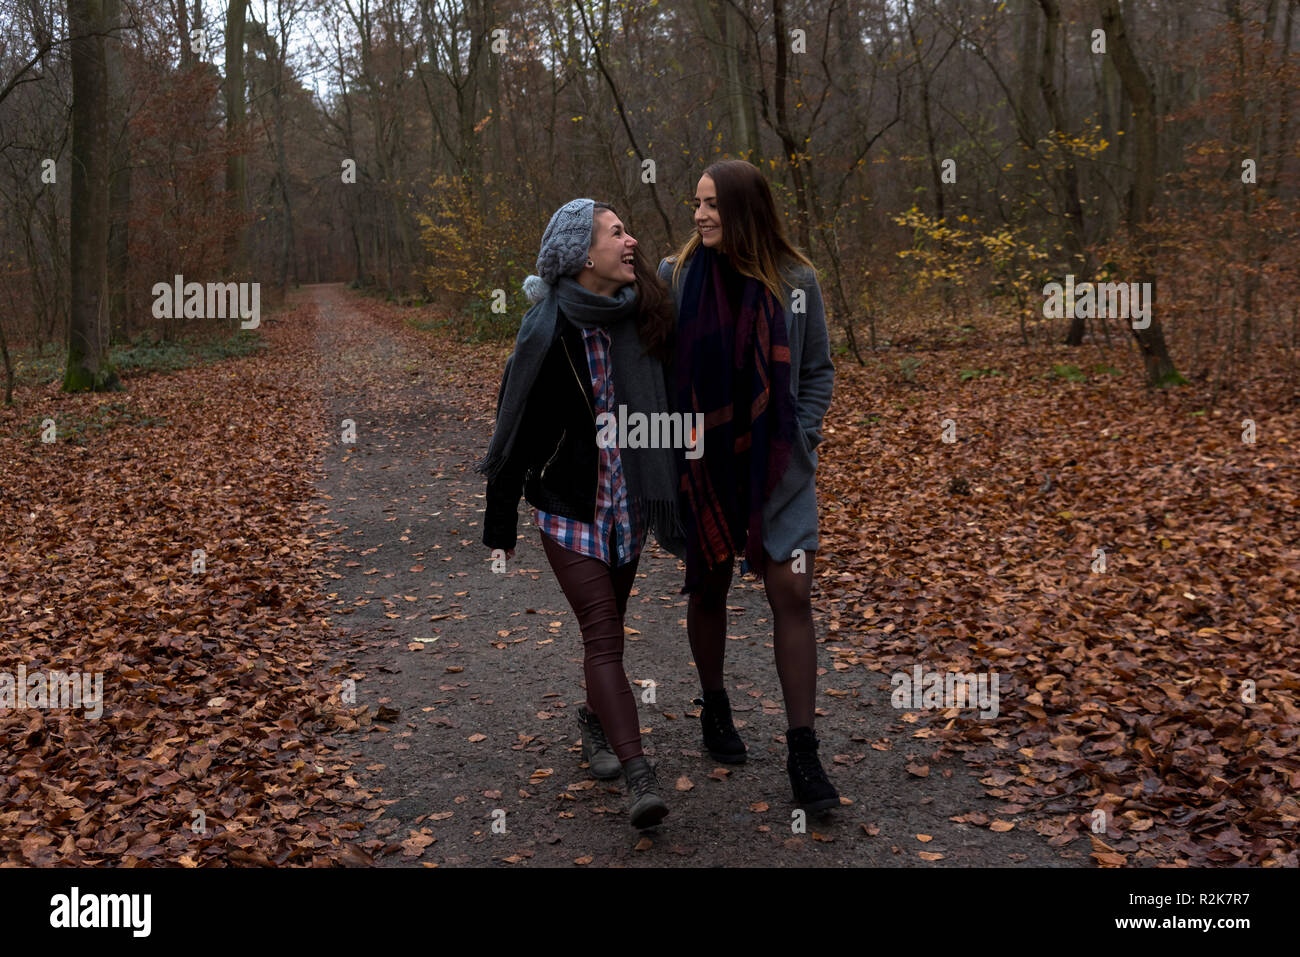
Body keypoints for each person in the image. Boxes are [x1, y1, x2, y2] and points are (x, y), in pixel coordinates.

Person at [480, 198, 680, 829]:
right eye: (616, 232)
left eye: (626, 229)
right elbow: (511, 425)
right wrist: (500, 524)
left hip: (627, 507)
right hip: (568, 508)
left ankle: (594, 720)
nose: (630, 240)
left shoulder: (641, 316)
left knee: (610, 630)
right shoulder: (545, 329)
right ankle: (639, 774)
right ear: (582, 254)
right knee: (603, 633)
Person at [657, 159, 840, 812]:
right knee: (709, 587)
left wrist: (802, 434)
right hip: (706, 465)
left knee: (792, 591)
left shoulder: (796, 280)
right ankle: (715, 705)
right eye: (696, 203)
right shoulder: (675, 277)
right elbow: (647, 357)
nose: (701, 215)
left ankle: (803, 750)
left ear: (745, 210)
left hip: (778, 468)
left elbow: (817, 370)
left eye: (713, 205)